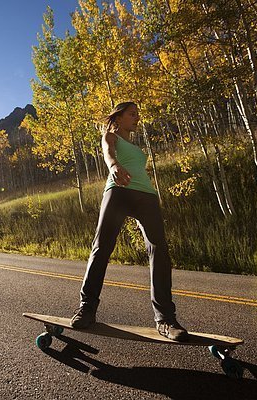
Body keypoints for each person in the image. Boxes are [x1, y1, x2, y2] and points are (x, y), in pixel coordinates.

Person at [70, 101, 189, 342]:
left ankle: (165, 319)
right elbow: (108, 153)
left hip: (146, 195)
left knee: (160, 251)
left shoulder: (134, 145)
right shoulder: (110, 136)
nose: (137, 118)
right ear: (119, 117)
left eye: (137, 114)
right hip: (118, 192)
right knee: (101, 248)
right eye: (132, 114)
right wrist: (113, 165)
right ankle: (87, 309)